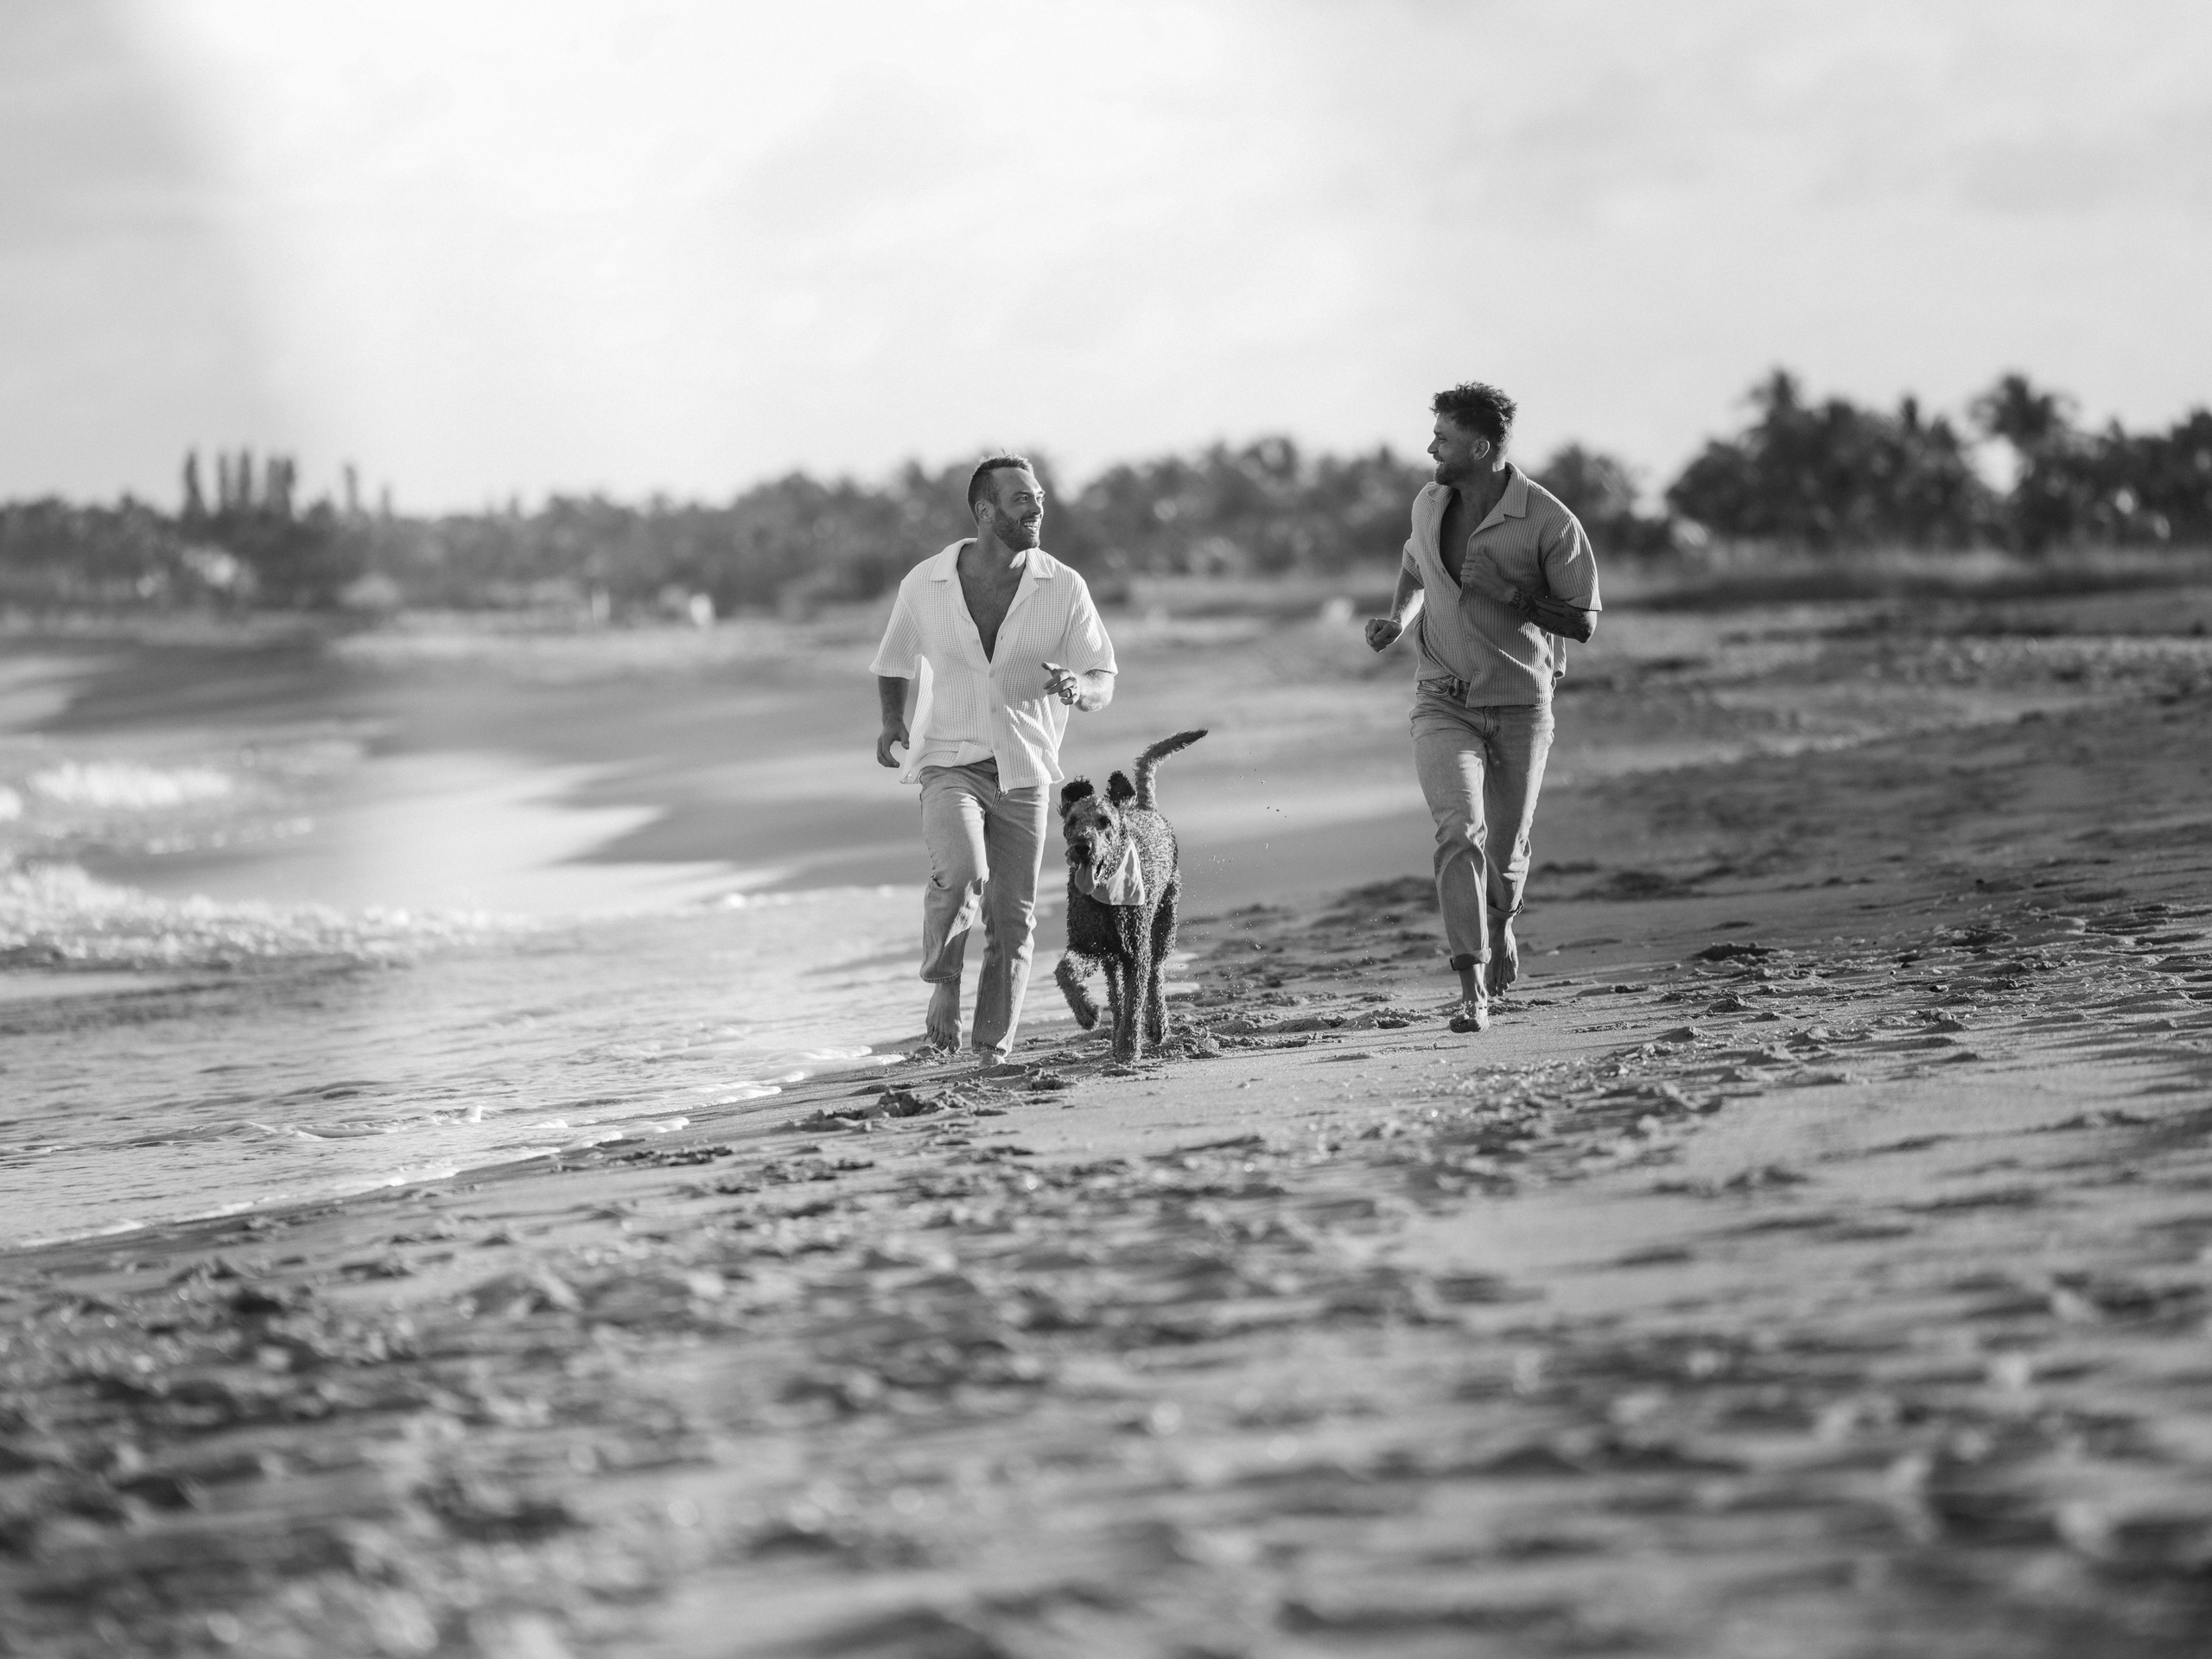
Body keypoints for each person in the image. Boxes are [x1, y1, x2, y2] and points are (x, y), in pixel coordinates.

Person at [1364, 381, 1601, 1033]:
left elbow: (1583, 622)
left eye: (1442, 438)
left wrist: (1512, 596)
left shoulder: (1549, 521)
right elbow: (1415, 567)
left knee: (1507, 849)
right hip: (1442, 699)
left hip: (1522, 704)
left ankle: (1502, 924)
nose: (1431, 448)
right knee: (1457, 832)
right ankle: (1471, 987)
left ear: (1480, 447)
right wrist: (1398, 620)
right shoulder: (1428, 503)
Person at [871, 455, 1117, 1058]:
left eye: (1038, 498)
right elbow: (894, 659)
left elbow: (1102, 673)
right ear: (985, 511)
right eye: (1021, 500)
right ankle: (944, 983)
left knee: (1012, 919)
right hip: (948, 757)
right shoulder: (926, 583)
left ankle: (991, 1050)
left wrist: (1079, 689)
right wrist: (892, 719)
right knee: (962, 873)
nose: (1037, 509)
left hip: (1024, 766)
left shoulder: (1063, 585)